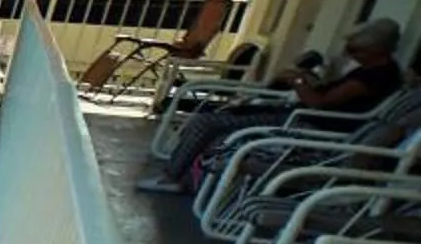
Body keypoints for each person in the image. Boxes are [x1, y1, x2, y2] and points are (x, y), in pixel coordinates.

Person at [140, 17, 405, 193]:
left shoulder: (375, 77)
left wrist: (297, 81)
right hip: (301, 117)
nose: (350, 55)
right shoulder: (375, 70)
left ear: (378, 50)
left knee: (206, 122)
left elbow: (318, 104)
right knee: (224, 116)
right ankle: (181, 174)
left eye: (356, 51)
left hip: (307, 124)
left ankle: (172, 178)